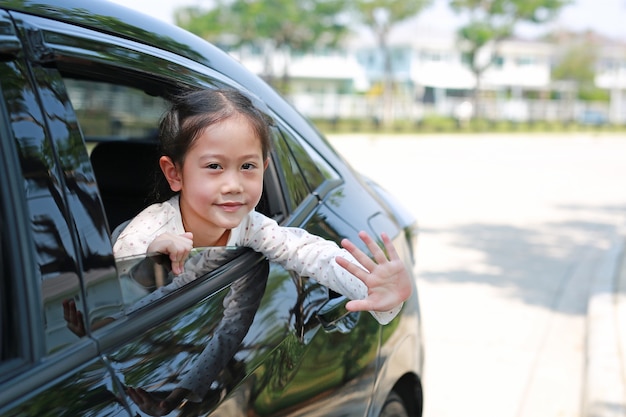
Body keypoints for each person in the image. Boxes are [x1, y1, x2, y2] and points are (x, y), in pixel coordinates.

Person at [111, 87, 412, 414]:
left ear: (265, 167)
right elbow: (108, 289)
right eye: (214, 166)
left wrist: (373, 286)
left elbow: (309, 252)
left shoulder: (252, 226)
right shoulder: (151, 226)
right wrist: (150, 256)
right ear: (175, 173)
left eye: (248, 167)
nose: (233, 184)